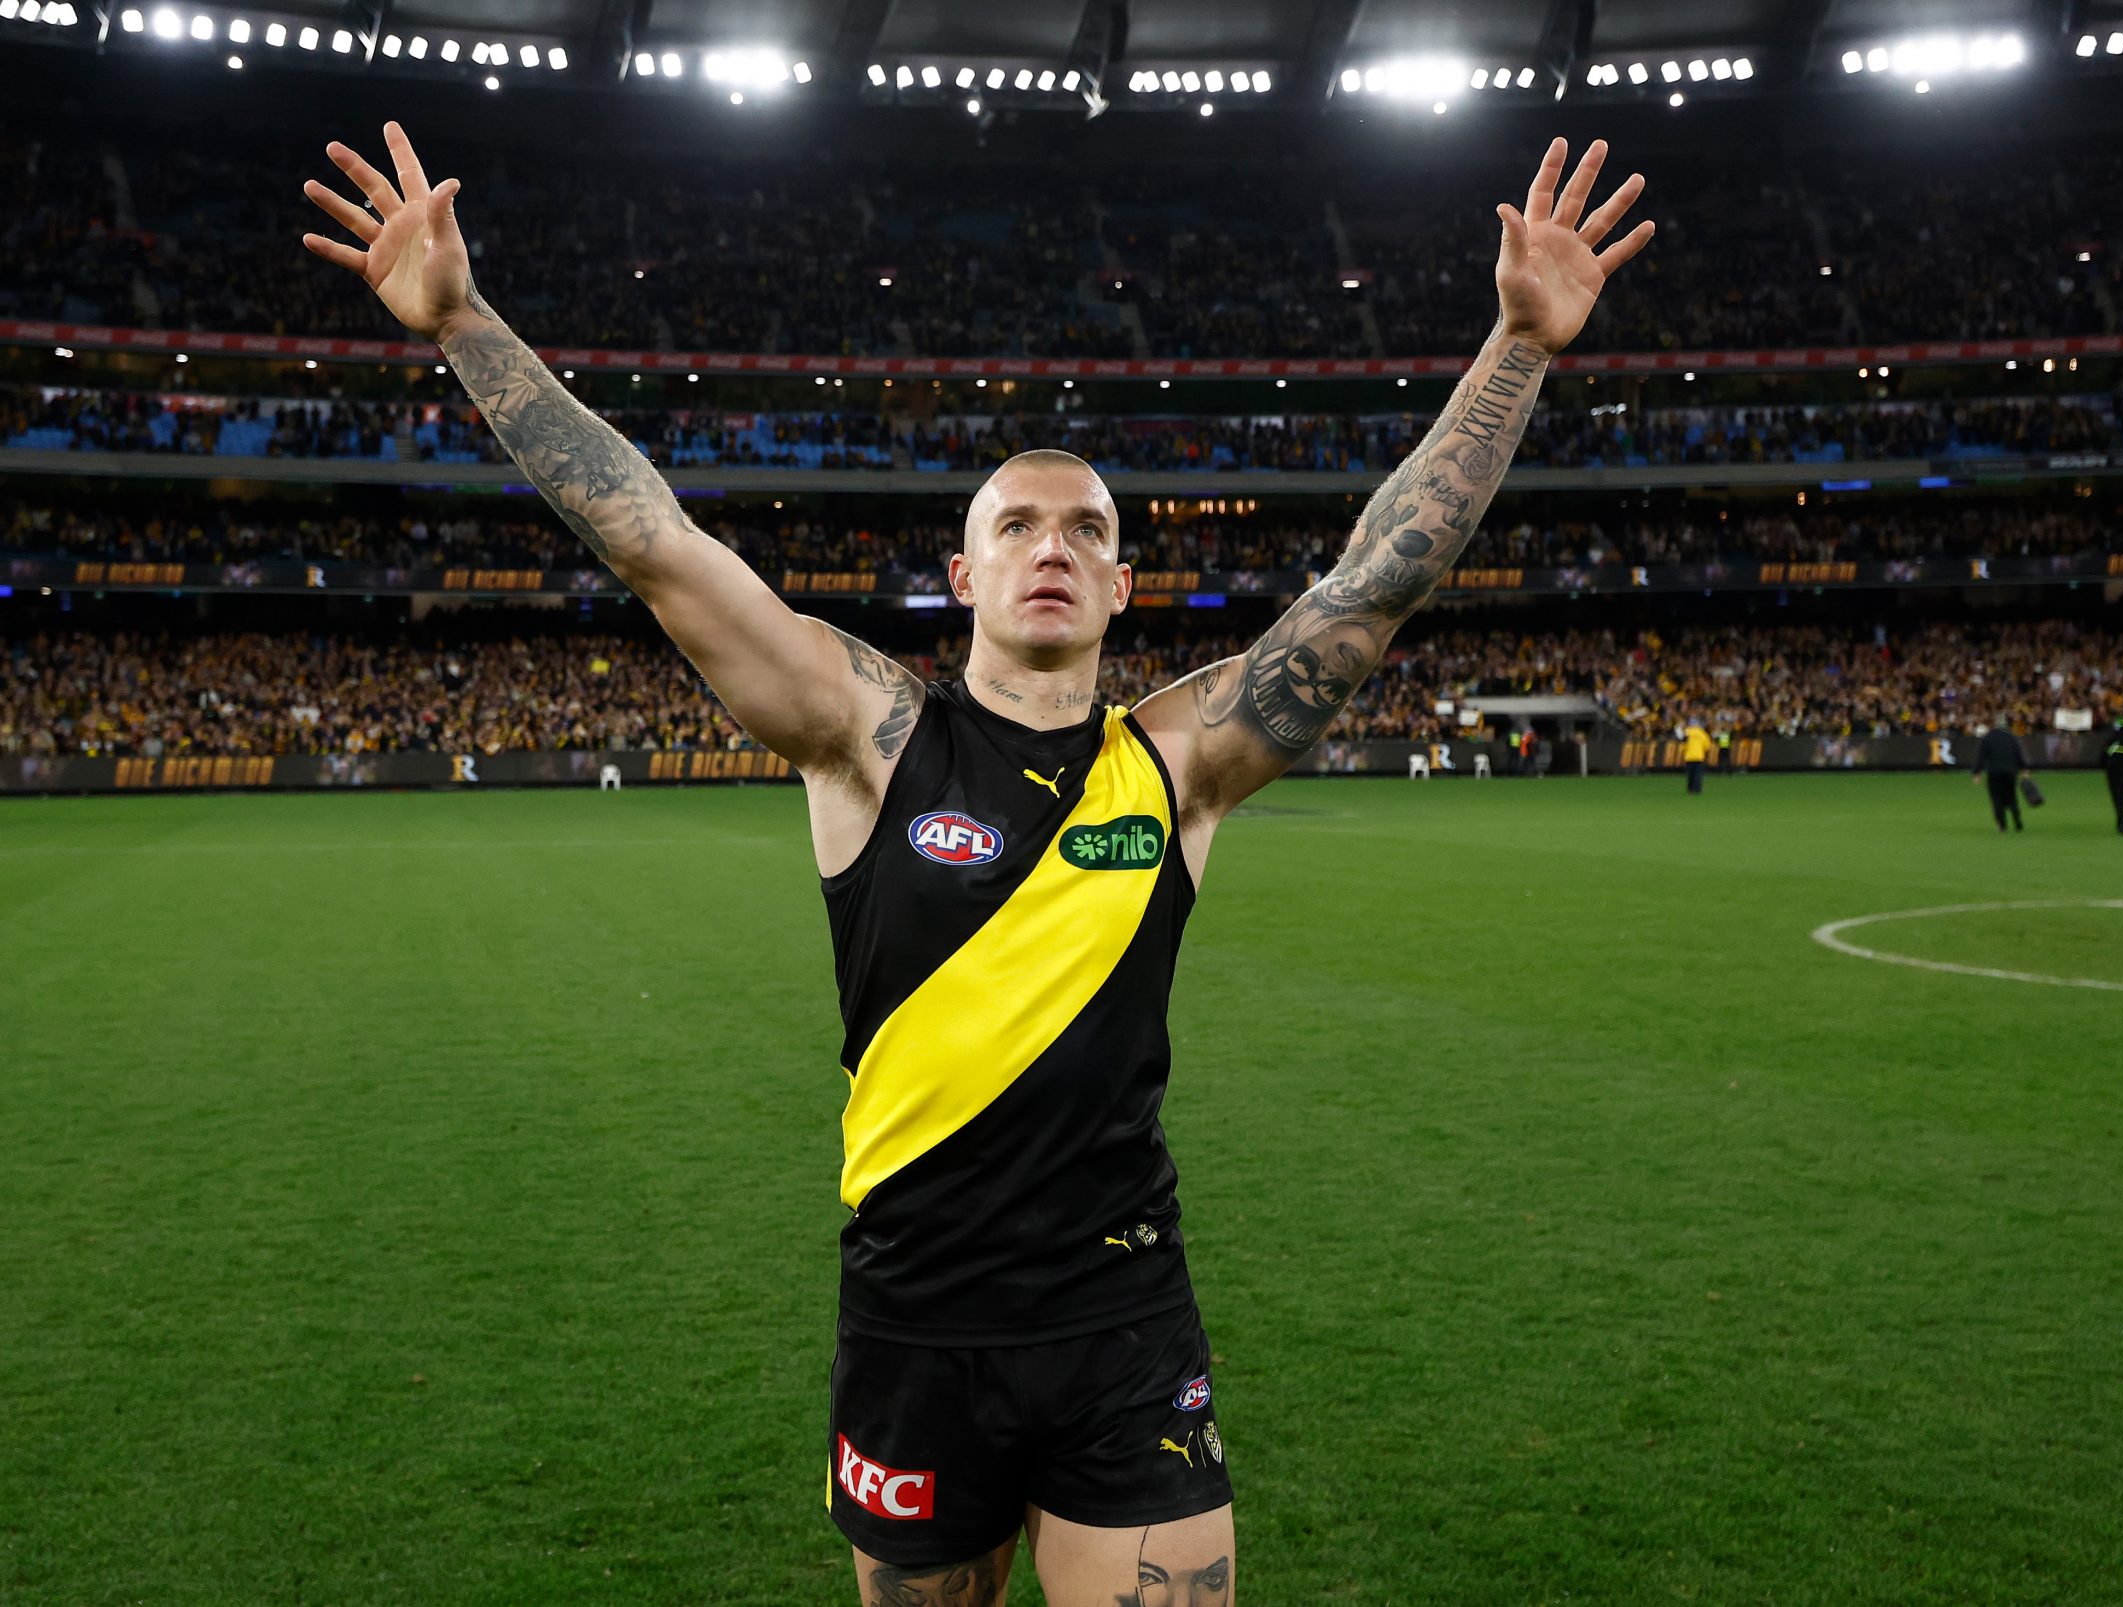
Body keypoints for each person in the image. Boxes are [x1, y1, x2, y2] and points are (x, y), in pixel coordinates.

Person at [303, 122, 1652, 1603]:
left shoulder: (1181, 756)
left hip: (1123, 1312)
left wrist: (1519, 346)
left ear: (1127, 581)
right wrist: (464, 322)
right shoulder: (866, 733)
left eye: (1087, 526)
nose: (1052, 543)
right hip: (918, 1319)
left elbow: (1380, 576)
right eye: (1016, 523)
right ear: (965, 575)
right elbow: (659, 545)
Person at [1972, 718, 2029, 832]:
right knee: (2012, 798)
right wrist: (2023, 770)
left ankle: (2002, 825)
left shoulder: (1987, 738)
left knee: (1997, 799)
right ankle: (2017, 823)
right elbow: (2018, 754)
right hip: (2010, 772)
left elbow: (1981, 757)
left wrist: (1977, 773)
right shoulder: (2011, 737)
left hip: (1995, 773)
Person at [1681, 718, 1712, 793]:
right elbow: (1707, 745)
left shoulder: (1687, 732)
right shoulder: (1702, 733)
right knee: (1698, 774)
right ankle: (1697, 789)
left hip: (1689, 757)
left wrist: (1684, 751)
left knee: (1690, 775)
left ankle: (1690, 789)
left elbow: (1683, 745)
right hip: (1699, 756)